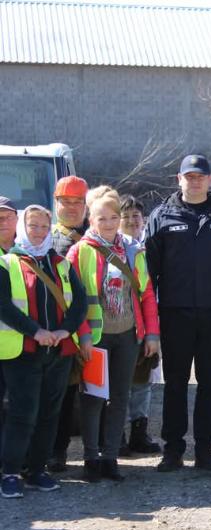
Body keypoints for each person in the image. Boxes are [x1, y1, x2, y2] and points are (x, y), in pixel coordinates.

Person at [145, 154, 211, 472]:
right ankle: (173, 450)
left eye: (200, 176)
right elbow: (149, 275)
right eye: (189, 176)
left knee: (209, 382)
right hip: (174, 314)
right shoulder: (162, 216)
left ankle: (205, 450)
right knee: (175, 382)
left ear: (210, 180)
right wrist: (151, 321)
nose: (195, 181)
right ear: (179, 179)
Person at [67, 188, 159, 482]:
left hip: (128, 337)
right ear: (91, 220)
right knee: (93, 399)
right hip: (95, 338)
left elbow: (146, 293)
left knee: (120, 397)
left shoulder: (133, 249)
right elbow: (72, 300)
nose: (108, 223)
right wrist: (82, 336)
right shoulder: (80, 251)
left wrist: (152, 334)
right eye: (101, 218)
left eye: (113, 217)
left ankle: (110, 458)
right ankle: (91, 459)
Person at [0, 205, 88, 498]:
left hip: (58, 352)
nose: (38, 232)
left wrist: (64, 331)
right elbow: (3, 306)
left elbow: (79, 303)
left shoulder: (61, 263)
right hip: (23, 352)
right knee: (22, 413)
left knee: (50, 414)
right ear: (22, 229)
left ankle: (37, 470)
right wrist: (35, 332)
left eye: (43, 226)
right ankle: (11, 472)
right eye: (32, 225)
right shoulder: (7, 263)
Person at [48, 175, 89, 473]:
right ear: (56, 203)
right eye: (66, 201)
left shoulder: (98, 234)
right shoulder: (44, 238)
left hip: (93, 330)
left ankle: (98, 452)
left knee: (91, 394)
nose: (72, 207)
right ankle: (55, 452)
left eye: (78, 202)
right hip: (58, 330)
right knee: (58, 396)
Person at [117, 195, 161, 455]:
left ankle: (139, 433)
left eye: (136, 216)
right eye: (126, 216)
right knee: (119, 383)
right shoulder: (115, 247)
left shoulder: (151, 244)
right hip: (122, 324)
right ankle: (117, 435)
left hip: (148, 321)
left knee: (143, 381)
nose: (132, 221)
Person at [0, 197, 17, 459]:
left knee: (18, 407)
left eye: (7, 216)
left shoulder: (26, 251)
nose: (2, 221)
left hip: (21, 346)